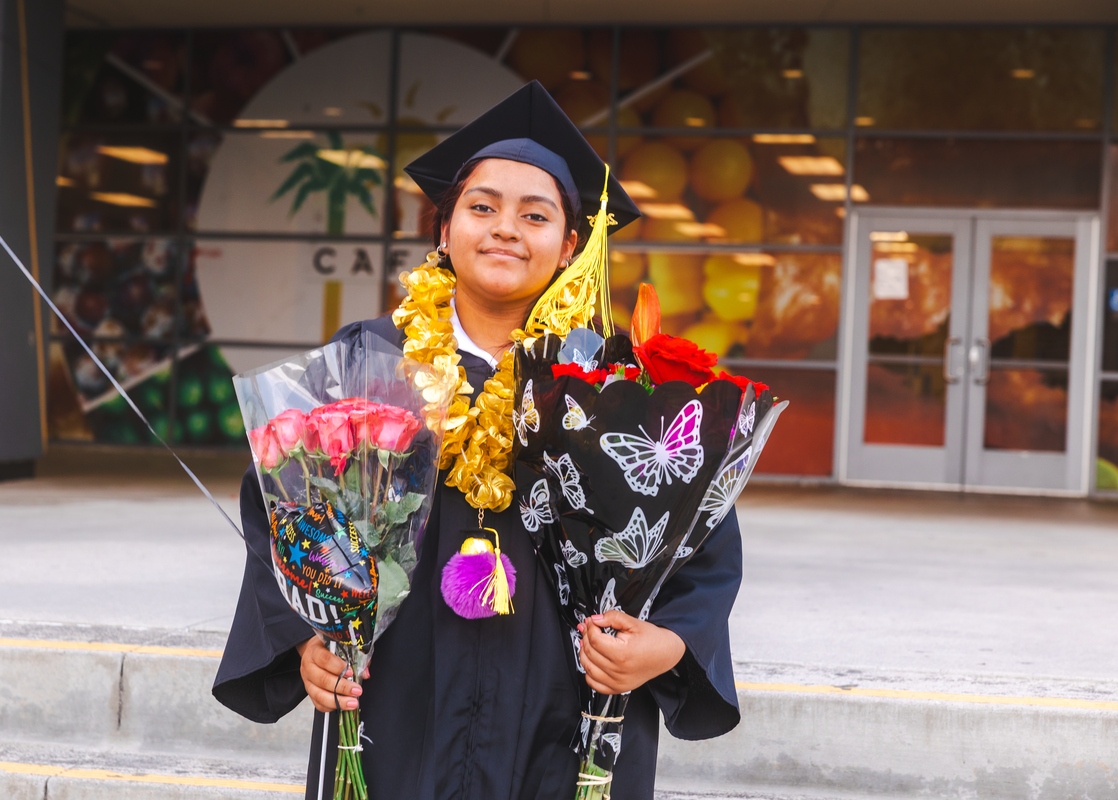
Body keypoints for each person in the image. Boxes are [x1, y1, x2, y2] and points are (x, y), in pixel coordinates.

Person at [213, 82, 744, 800]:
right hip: (395, 690)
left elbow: (696, 536)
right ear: (444, 229)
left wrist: (671, 644)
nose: (505, 228)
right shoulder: (367, 363)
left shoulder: (619, 381)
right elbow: (281, 509)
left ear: (568, 246)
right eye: (482, 207)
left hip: (564, 699)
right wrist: (302, 639)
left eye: (535, 214)